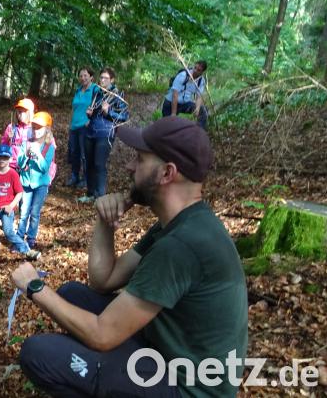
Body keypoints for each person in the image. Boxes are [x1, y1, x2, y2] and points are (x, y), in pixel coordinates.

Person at [14, 116, 247, 397]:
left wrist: (35, 287)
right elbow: (104, 280)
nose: (130, 166)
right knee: (72, 294)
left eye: (140, 159)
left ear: (166, 173)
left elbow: (102, 334)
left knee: (38, 354)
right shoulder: (180, 224)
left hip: (187, 388)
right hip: (165, 353)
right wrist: (105, 221)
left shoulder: (181, 246)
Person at [0, 144, 40, 267]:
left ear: (10, 159)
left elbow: (19, 192)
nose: (2, 160)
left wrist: (11, 205)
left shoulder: (13, 174)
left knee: (8, 232)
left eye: (5, 157)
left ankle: (27, 250)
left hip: (6, 209)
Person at [80, 67, 129, 203]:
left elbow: (124, 116)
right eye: (101, 77)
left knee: (99, 164)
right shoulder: (97, 93)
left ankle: (100, 197)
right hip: (91, 131)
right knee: (89, 163)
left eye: (105, 78)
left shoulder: (117, 94)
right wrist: (89, 114)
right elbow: (95, 112)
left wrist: (109, 112)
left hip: (105, 133)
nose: (102, 80)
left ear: (112, 80)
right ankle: (90, 194)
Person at [16, 112, 56, 251]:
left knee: (34, 213)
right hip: (26, 183)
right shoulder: (26, 143)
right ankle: (19, 238)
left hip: (41, 185)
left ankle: (31, 238)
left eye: (39, 127)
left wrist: (37, 154)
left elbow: (45, 168)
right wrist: (26, 155)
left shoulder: (49, 147)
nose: (36, 130)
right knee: (23, 212)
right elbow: (20, 164)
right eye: (34, 127)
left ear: (47, 129)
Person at [67, 67, 99, 188]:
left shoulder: (95, 89)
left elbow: (98, 107)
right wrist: (70, 123)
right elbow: (74, 108)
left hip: (86, 126)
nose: (83, 78)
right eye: (81, 76)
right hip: (74, 126)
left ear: (91, 77)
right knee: (74, 152)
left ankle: (86, 178)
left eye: (85, 75)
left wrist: (91, 121)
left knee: (84, 154)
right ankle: (74, 176)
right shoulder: (78, 90)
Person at [162, 60, 208, 130]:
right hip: (170, 103)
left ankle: (199, 131)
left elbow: (199, 96)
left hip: (184, 104)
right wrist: (173, 114)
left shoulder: (201, 81)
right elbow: (175, 94)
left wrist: (197, 108)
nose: (195, 70)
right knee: (168, 127)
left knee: (203, 110)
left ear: (202, 72)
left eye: (198, 70)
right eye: (195, 68)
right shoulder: (183, 75)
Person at [0, 97, 35, 170]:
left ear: (29, 113)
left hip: (27, 167)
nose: (20, 114)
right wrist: (8, 138)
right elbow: (3, 145)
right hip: (11, 165)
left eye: (23, 111)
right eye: (19, 111)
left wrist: (30, 163)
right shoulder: (11, 127)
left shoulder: (34, 129)